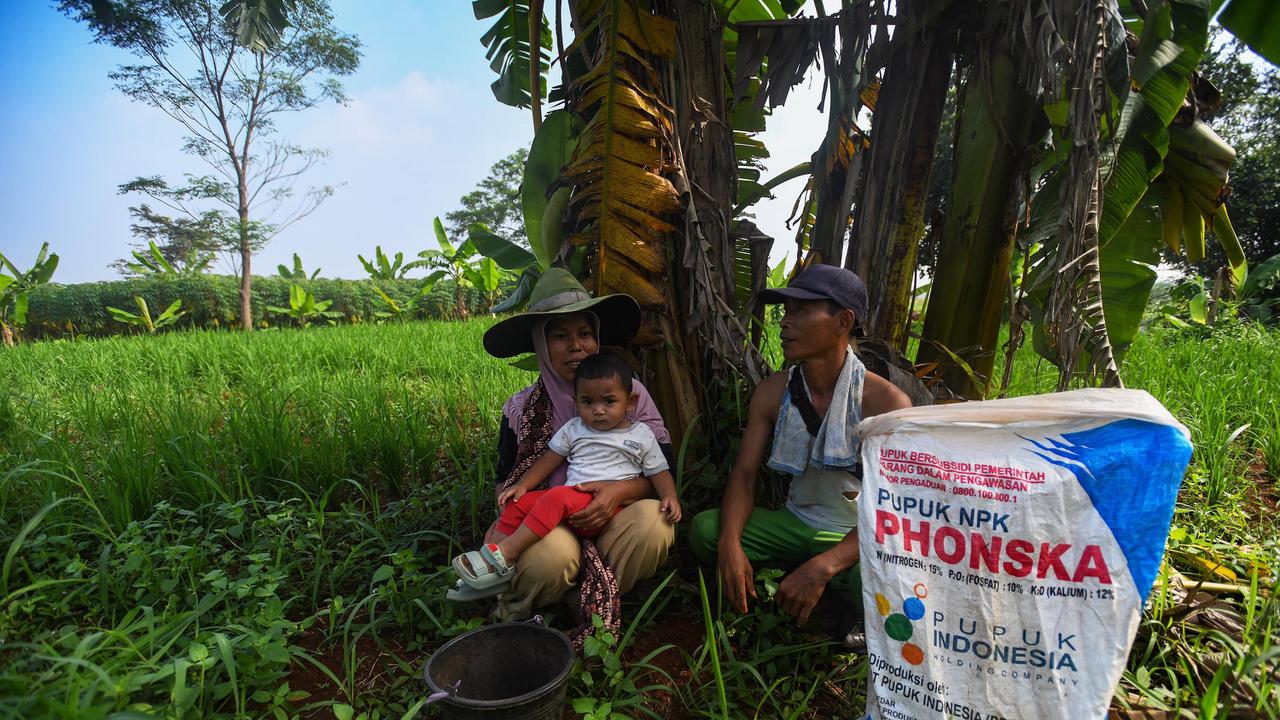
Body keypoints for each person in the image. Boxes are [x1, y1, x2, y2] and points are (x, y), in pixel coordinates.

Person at [690, 264, 912, 629]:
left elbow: (896, 508)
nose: (784, 322)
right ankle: (810, 584)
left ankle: (824, 580)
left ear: (843, 322)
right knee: (706, 532)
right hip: (795, 522)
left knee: (885, 578)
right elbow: (744, 475)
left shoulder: (886, 402)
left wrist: (827, 563)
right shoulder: (773, 392)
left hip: (853, 535)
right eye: (787, 311)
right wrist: (730, 545)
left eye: (801, 311)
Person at [469, 268, 676, 625]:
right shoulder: (521, 409)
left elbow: (663, 469)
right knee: (550, 558)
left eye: (584, 334)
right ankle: (516, 612)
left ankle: (587, 601)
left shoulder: (631, 397)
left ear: (597, 338)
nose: (575, 345)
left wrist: (616, 492)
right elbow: (507, 478)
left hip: (618, 513)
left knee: (655, 523)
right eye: (560, 336)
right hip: (549, 520)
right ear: (541, 345)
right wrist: (506, 518)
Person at [450, 353, 682, 597]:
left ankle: (508, 553)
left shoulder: (642, 435)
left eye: (609, 402)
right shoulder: (575, 428)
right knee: (519, 503)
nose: (598, 410)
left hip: (612, 510)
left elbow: (660, 471)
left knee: (557, 497)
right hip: (572, 503)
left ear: (631, 402)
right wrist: (522, 485)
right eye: (588, 402)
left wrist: (670, 496)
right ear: (576, 401)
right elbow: (550, 459)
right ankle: (490, 564)